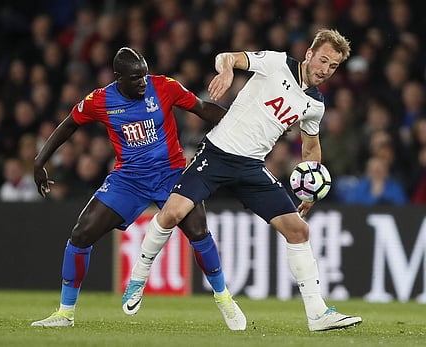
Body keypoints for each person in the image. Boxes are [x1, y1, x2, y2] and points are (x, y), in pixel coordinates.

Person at [126, 29, 362, 332]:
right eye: (323, 61)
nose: (325, 70)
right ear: (309, 54)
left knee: (298, 230)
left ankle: (317, 313)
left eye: (333, 66)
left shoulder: (315, 105)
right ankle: (139, 275)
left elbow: (310, 145)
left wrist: (310, 184)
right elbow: (227, 57)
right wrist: (226, 70)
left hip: (251, 167)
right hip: (218, 153)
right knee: (171, 213)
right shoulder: (276, 63)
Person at [30, 47, 246, 330]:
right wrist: (39, 161)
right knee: (81, 234)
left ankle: (225, 299)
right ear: (118, 77)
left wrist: (248, 125)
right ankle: (65, 313)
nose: (143, 82)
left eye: (144, 75)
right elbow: (70, 125)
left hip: (171, 175)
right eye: (136, 78)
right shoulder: (101, 100)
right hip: (129, 180)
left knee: (199, 232)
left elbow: (203, 109)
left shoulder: (164, 87)